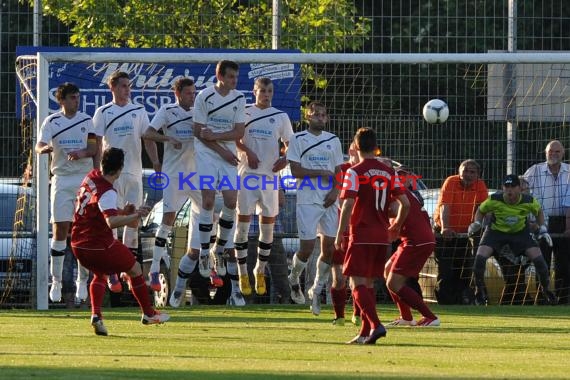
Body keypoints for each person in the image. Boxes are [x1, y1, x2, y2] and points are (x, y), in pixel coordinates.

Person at [71, 147, 169, 336]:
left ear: (102, 164)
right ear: (120, 168)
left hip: (78, 245)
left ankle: (96, 316)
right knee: (135, 269)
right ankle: (148, 314)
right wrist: (135, 216)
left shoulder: (91, 176)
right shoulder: (108, 191)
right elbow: (111, 222)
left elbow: (99, 208)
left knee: (100, 274)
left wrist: (122, 212)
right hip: (97, 244)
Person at [335, 127, 410, 345]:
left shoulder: (354, 172)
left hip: (361, 233)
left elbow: (348, 203)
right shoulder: (388, 171)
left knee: (355, 283)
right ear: (376, 148)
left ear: (356, 146)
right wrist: (397, 225)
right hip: (381, 236)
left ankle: (376, 325)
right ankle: (365, 332)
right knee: (367, 284)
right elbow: (404, 203)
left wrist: (340, 232)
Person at [93, 71, 159, 292]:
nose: (127, 90)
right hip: (111, 176)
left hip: (132, 173)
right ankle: (112, 270)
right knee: (111, 221)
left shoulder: (138, 110)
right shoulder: (102, 112)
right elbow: (98, 144)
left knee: (133, 219)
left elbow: (147, 138)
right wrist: (97, 173)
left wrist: (157, 163)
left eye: (128, 86)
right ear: (112, 87)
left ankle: (127, 269)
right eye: (123, 86)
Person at [35, 82, 97, 304]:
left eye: (78, 97)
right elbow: (39, 145)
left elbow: (93, 149)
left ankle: (82, 279)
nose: (76, 101)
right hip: (61, 179)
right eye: (72, 97)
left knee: (84, 231)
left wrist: (81, 153)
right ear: (61, 100)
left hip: (83, 180)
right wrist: (45, 149)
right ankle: (57, 281)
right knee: (60, 229)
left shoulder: (86, 120)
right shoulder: (52, 121)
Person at [233, 77, 293, 297]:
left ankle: (259, 269)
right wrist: (247, 152)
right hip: (247, 176)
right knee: (243, 227)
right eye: (263, 91)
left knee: (267, 227)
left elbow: (290, 144)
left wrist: (285, 159)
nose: (266, 94)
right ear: (254, 92)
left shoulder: (280, 116)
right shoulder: (244, 112)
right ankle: (242, 272)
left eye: (270, 91)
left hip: (270, 177)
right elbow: (235, 139)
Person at [141, 77, 202, 293]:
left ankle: (207, 261)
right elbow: (147, 134)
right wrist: (166, 144)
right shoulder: (167, 111)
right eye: (188, 93)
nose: (192, 96)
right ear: (178, 94)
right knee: (168, 218)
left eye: (194, 93)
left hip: (195, 176)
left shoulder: (199, 111)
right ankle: (155, 269)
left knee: (208, 212)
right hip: (174, 175)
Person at [286, 101, 344, 316]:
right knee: (307, 247)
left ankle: (316, 290)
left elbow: (338, 170)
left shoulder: (333, 140)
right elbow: (295, 171)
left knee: (329, 248)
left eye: (323, 115)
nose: (320, 117)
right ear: (308, 117)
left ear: (326, 118)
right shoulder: (297, 139)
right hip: (308, 198)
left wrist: (335, 191)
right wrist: (320, 173)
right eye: (315, 114)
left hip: (329, 199)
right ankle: (293, 278)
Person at [192, 60, 246, 287]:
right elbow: (198, 131)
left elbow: (238, 132)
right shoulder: (204, 96)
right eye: (231, 76)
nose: (234, 81)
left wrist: (215, 136)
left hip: (227, 154)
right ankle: (204, 252)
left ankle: (219, 249)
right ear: (220, 75)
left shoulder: (239, 98)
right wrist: (219, 146)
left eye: (236, 77)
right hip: (207, 154)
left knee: (232, 201)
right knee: (207, 200)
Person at [469, 174, 557, 306]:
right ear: (502, 188)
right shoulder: (494, 199)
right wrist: (477, 223)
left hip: (520, 233)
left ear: (519, 188)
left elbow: (539, 212)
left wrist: (543, 228)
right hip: (495, 233)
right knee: (479, 259)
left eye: (513, 186)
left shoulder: (528, 200)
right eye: (507, 186)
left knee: (540, 261)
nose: (509, 190)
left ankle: (547, 292)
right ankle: (479, 293)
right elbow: (481, 210)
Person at [384, 167, 439, 327]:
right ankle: (406, 317)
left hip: (417, 240)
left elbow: (395, 210)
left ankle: (431, 317)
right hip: (414, 239)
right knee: (387, 271)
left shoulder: (391, 189)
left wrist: (373, 212)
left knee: (393, 283)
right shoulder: (398, 189)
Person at [433, 159, 488, 304]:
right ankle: (444, 303)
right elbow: (445, 206)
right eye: (465, 171)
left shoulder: (480, 185)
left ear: (478, 174)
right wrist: (445, 228)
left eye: (472, 172)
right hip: (445, 233)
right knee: (445, 271)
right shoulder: (451, 182)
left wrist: (479, 226)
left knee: (465, 271)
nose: (468, 175)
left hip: (466, 234)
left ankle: (461, 302)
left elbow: (483, 209)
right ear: (459, 172)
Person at [525, 140, 570, 304]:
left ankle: (564, 299)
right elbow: (522, 190)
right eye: (551, 152)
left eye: (557, 152)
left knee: (564, 264)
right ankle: (542, 298)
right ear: (546, 153)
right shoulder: (535, 170)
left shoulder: (569, 171)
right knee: (541, 262)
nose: (554, 154)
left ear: (563, 153)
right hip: (541, 222)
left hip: (564, 222)